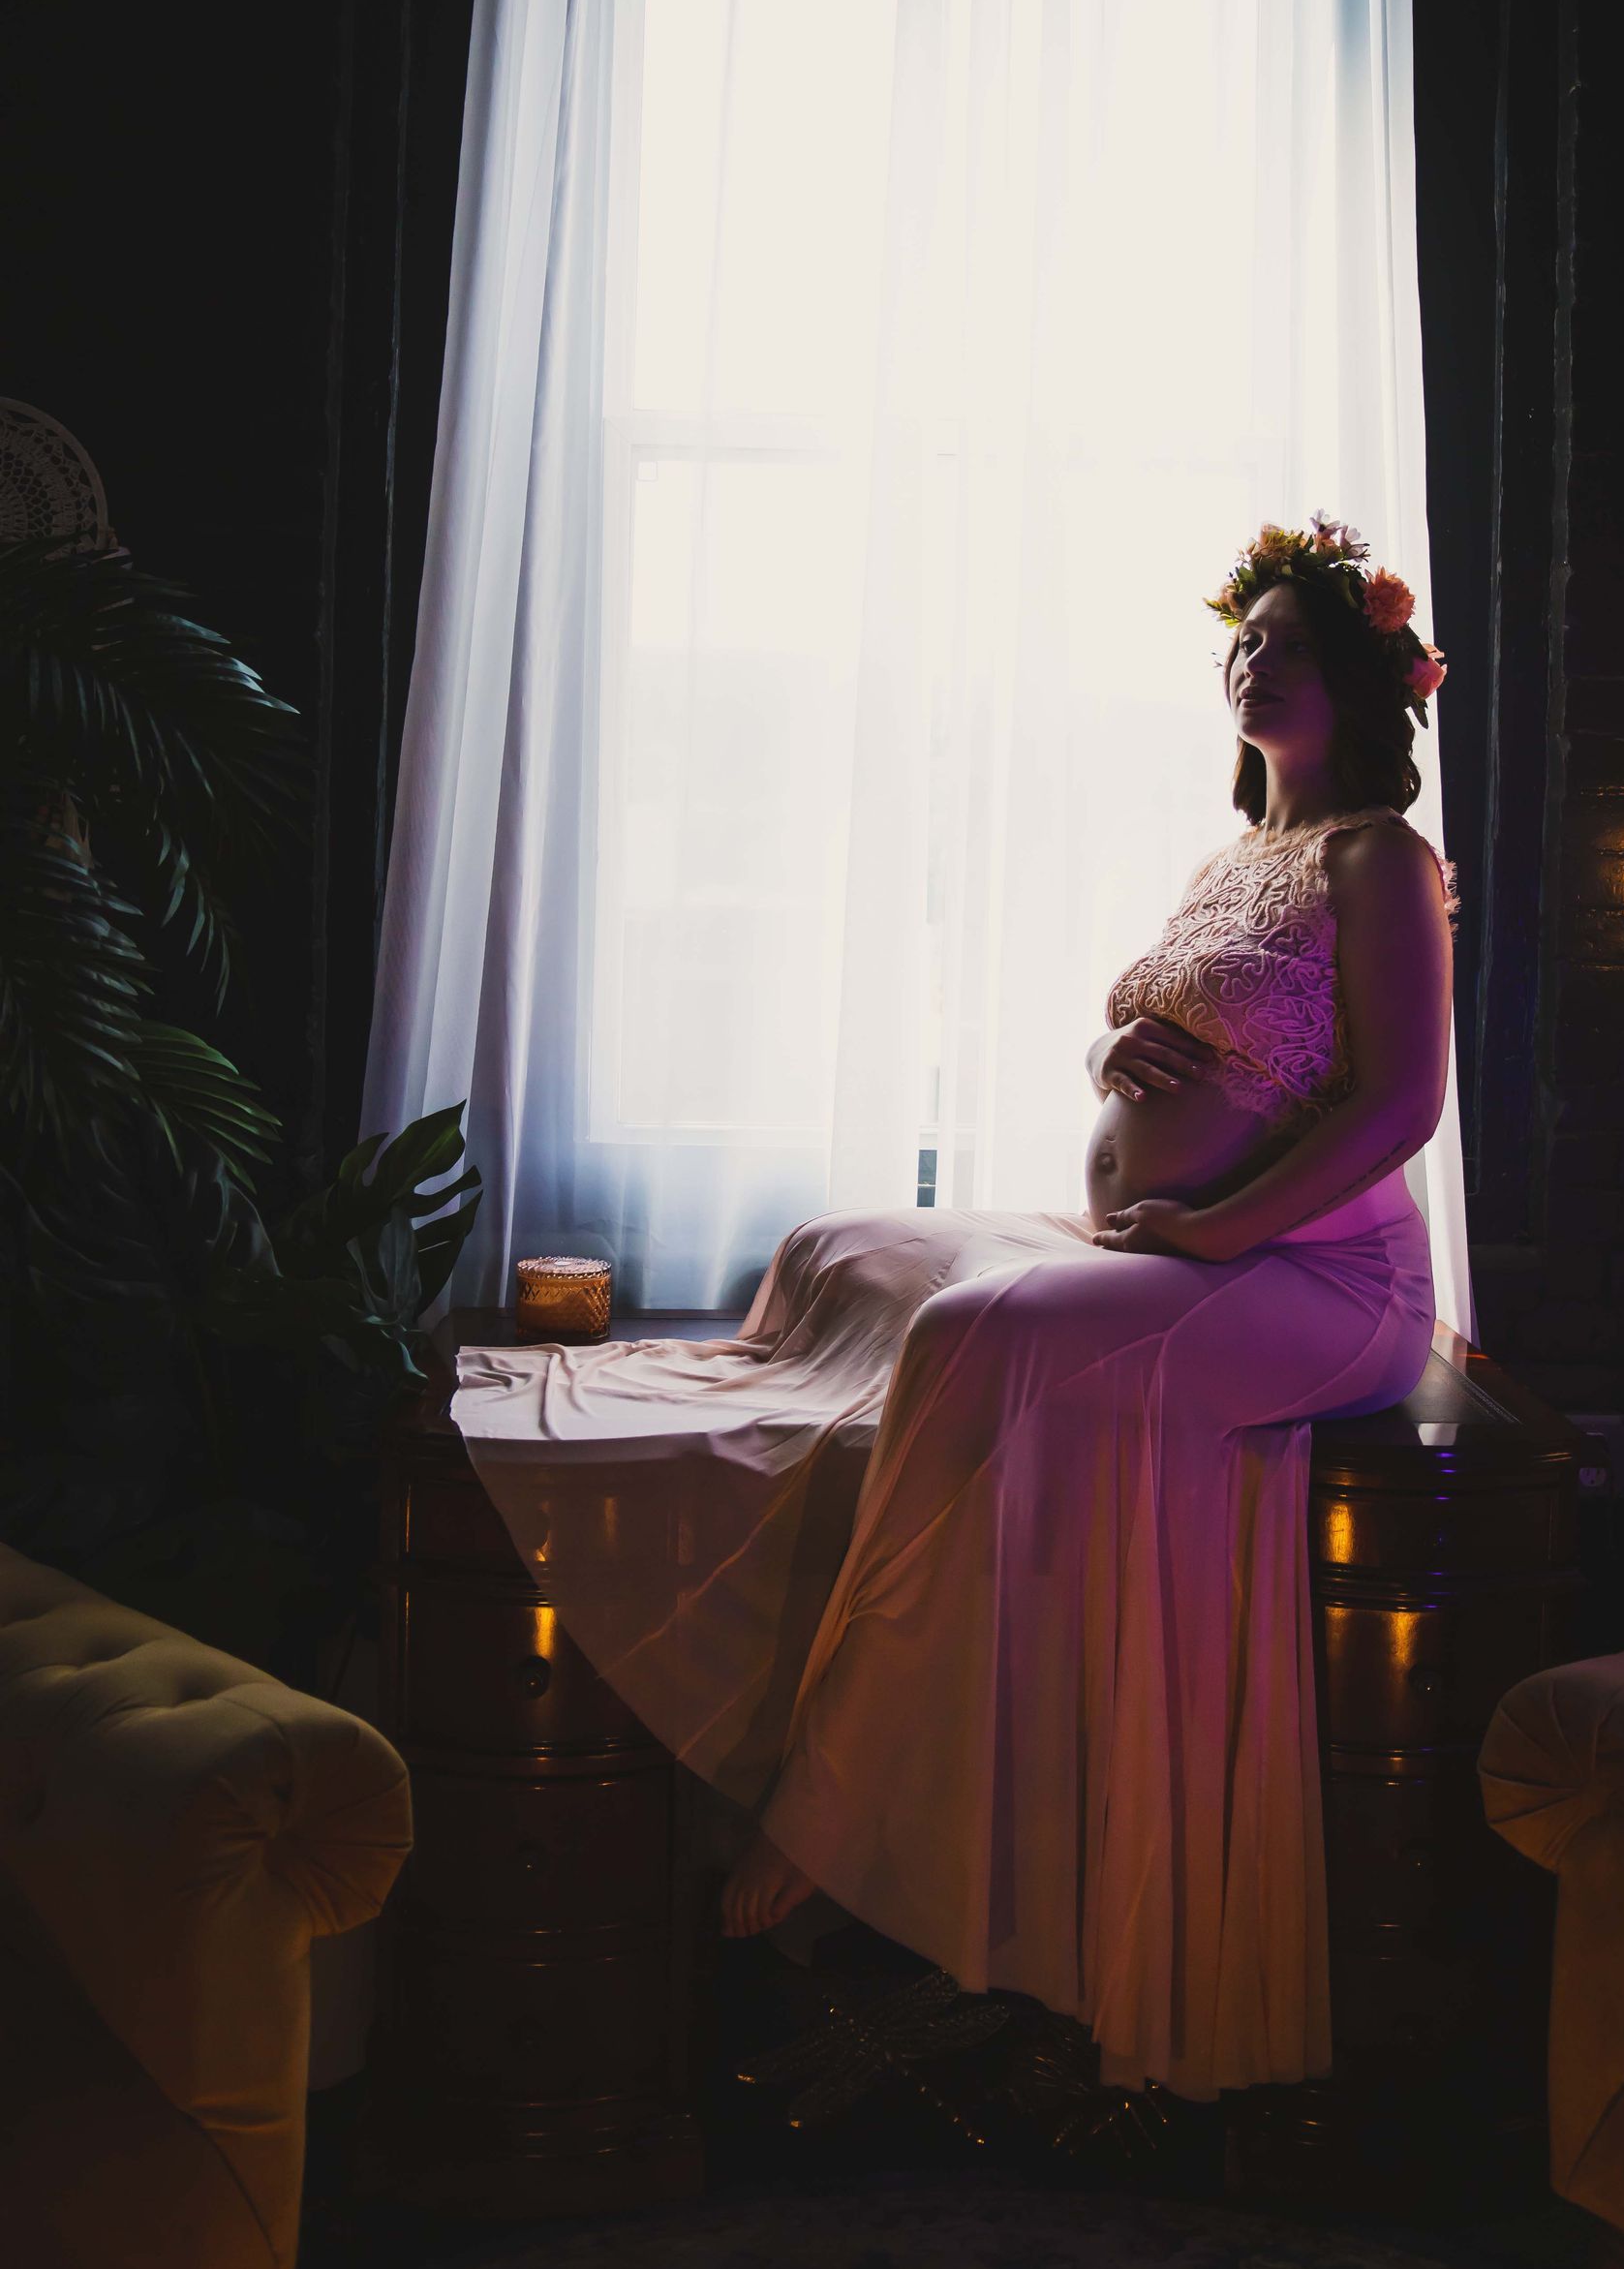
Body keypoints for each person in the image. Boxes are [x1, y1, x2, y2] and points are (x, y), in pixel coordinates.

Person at [454, 515, 1455, 2100]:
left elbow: (1400, 1105)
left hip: (1316, 1276)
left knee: (966, 1330)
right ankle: (764, 1448)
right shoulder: (1233, 857)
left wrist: (1212, 1228)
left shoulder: (1378, 858)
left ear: (1353, 679)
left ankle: (832, 1798)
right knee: (850, 1244)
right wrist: (1108, 1070)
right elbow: (1178, 1041)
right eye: (1242, 639)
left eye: (1282, 640)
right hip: (1182, 1234)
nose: (1249, 659)